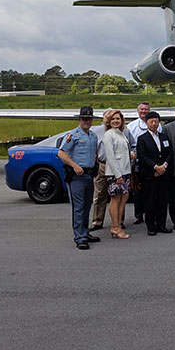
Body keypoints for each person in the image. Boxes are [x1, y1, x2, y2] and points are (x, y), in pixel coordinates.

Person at [57, 106, 101, 250]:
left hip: (89, 175)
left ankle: (85, 232)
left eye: (89, 119)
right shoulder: (72, 135)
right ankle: (79, 237)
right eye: (84, 119)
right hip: (77, 176)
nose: (86, 121)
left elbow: (94, 152)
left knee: (87, 206)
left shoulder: (93, 135)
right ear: (79, 119)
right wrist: (74, 165)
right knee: (78, 208)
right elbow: (61, 153)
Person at [135, 110, 173, 236]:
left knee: (163, 201)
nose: (154, 123)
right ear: (146, 123)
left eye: (156, 121)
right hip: (150, 175)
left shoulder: (164, 137)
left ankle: (161, 224)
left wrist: (164, 166)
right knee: (150, 201)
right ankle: (151, 226)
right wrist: (156, 167)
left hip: (164, 174)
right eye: (151, 121)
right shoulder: (142, 139)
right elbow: (142, 156)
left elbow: (169, 153)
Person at [126, 101, 160, 224]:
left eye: (146, 109)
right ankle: (139, 215)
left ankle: (153, 214)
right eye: (142, 109)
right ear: (138, 111)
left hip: (153, 163)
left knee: (153, 191)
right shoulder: (131, 126)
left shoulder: (157, 124)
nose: (144, 111)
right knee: (138, 190)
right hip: (138, 162)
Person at [102, 109, 133, 239]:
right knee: (115, 199)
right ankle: (115, 227)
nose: (115, 121)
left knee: (123, 198)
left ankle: (118, 224)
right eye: (113, 119)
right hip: (115, 173)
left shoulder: (121, 133)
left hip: (125, 171)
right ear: (109, 121)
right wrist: (118, 175)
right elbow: (110, 156)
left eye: (118, 119)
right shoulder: (109, 134)